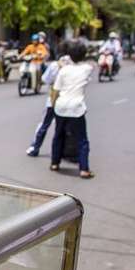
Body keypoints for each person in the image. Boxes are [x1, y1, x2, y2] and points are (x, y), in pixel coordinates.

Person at [50, 41, 95, 178]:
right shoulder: (87, 68)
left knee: (58, 135)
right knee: (82, 139)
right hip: (76, 108)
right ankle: (84, 169)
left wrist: (53, 105)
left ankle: (54, 163)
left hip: (61, 106)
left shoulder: (64, 70)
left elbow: (55, 90)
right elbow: (91, 64)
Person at [27, 47, 72, 157]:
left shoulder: (55, 65)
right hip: (69, 101)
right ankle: (64, 152)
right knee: (64, 127)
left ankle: (35, 148)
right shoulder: (74, 66)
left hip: (54, 100)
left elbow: (45, 79)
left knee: (44, 125)